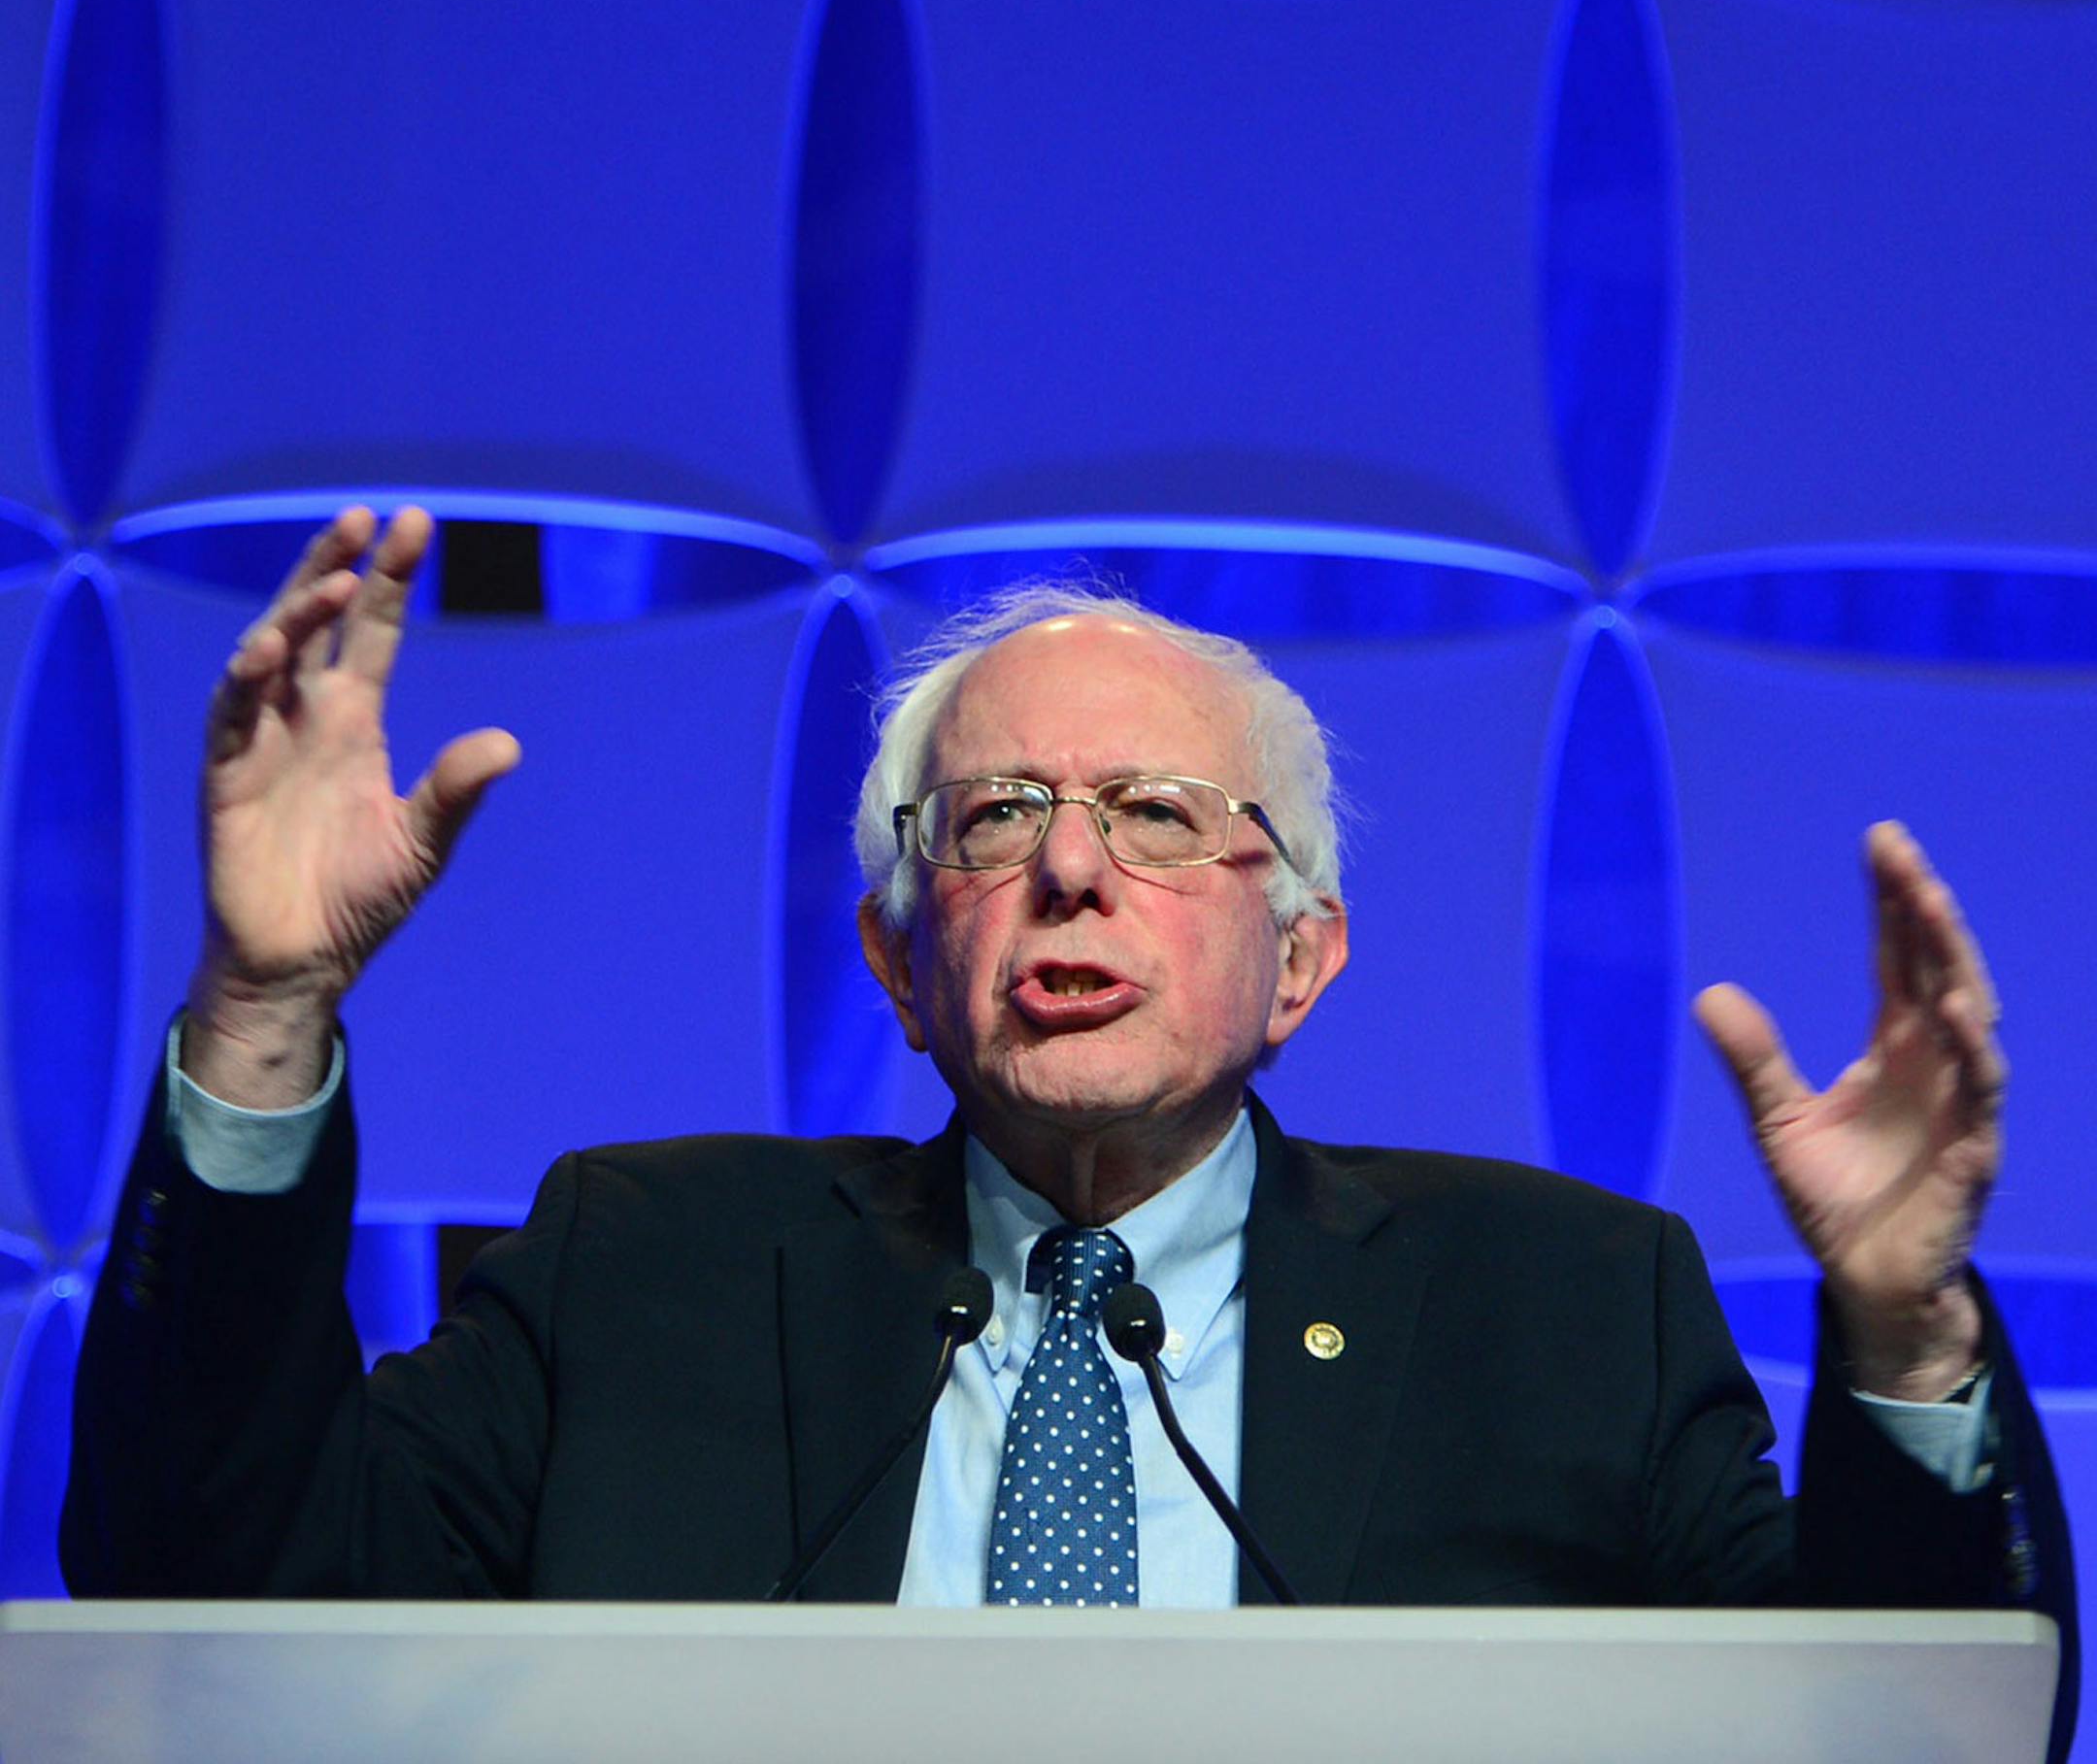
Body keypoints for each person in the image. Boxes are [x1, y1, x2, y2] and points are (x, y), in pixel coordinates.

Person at [62, 509, 2075, 1748]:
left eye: (1164, 820)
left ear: (1303, 962)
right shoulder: (640, 1272)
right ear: (896, 958)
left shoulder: (1564, 1314)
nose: (1073, 876)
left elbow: (1903, 1735)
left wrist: (1907, 1333)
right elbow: (205, 1600)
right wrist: (261, 1010)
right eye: (999, 821)